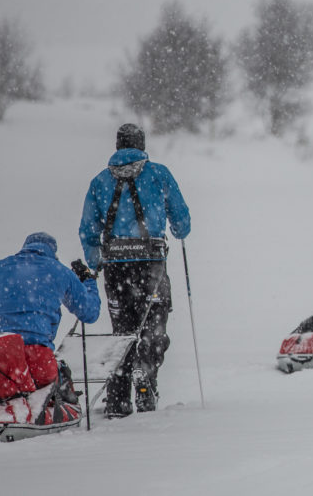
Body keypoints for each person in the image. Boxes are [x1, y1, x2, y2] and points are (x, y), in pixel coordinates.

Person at [79, 123, 191, 417]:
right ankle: (146, 373)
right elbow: (181, 221)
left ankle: (118, 399)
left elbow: (88, 229)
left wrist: (96, 260)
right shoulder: (159, 174)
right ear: (142, 145)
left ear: (117, 146)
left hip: (116, 266)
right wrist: (178, 229)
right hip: (151, 263)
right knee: (154, 324)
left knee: (122, 331)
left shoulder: (100, 181)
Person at [0, 232, 100, 398]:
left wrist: (7, 306)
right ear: (53, 252)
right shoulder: (60, 271)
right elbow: (90, 313)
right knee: (52, 375)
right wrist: (87, 280)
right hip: (34, 360)